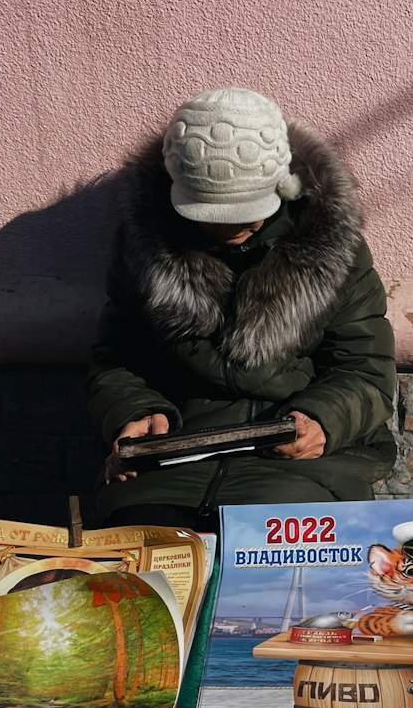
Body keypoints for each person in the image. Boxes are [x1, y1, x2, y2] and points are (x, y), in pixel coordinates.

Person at [88, 88, 397, 529]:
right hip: (172, 458)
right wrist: (133, 413)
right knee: (143, 564)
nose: (224, 227)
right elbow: (117, 359)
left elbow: (365, 367)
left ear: (283, 187)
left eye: (242, 213)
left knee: (280, 577)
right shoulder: (146, 245)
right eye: (207, 213)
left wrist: (322, 421)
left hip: (296, 468)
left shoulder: (332, 250)